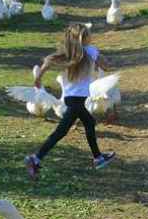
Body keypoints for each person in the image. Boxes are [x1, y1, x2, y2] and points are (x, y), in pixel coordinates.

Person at [24, 23, 116, 180]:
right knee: (62, 131)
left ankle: (98, 158)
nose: (91, 36)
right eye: (89, 34)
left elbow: (48, 61)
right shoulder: (90, 51)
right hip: (77, 101)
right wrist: (102, 59)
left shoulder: (66, 54)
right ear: (84, 37)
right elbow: (106, 66)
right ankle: (36, 158)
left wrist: (39, 78)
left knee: (88, 123)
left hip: (70, 99)